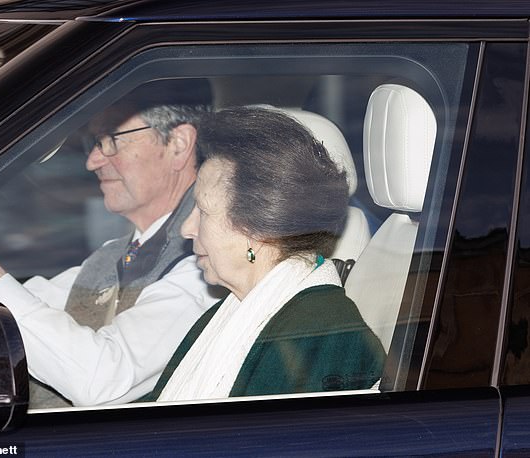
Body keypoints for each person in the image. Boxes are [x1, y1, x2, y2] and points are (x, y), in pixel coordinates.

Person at [0, 80, 221, 407]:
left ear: (179, 144)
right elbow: (25, 306)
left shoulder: (204, 264)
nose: (93, 161)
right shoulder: (115, 256)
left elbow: (104, 380)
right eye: (95, 142)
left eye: (111, 139)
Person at [144, 106, 386, 402]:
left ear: (257, 231)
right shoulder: (227, 313)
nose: (186, 228)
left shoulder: (318, 337)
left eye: (202, 211)